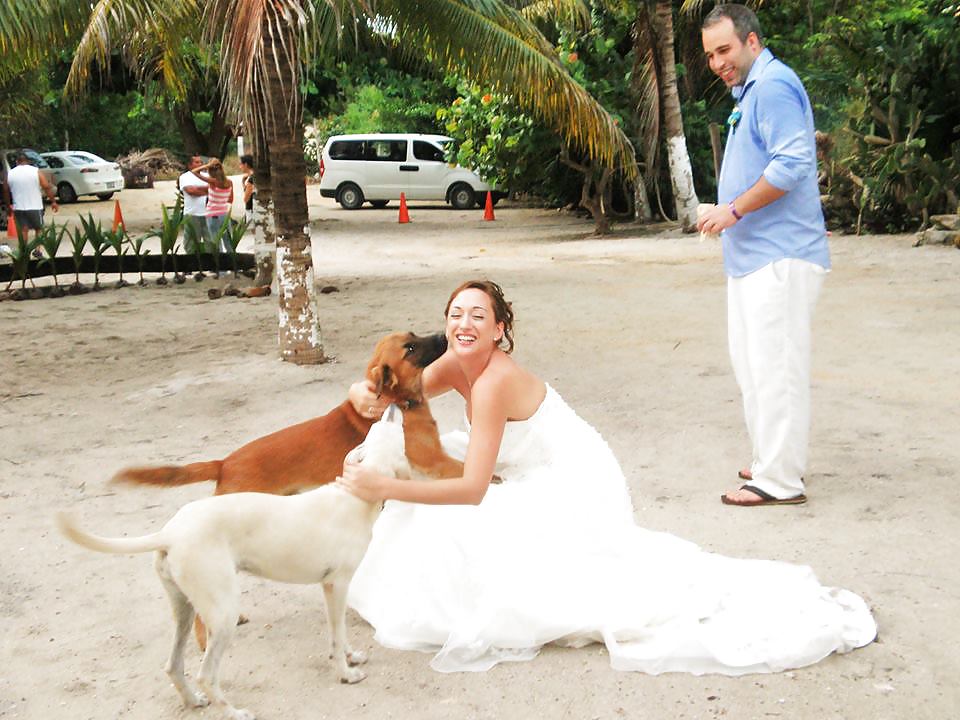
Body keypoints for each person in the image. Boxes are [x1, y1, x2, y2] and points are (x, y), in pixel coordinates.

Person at [338, 280, 876, 675]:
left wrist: (382, 488)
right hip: (524, 466)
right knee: (411, 460)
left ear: (500, 330)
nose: (465, 325)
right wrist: (362, 396)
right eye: (457, 314)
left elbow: (474, 491)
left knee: (444, 510)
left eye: (479, 316)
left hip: (574, 482)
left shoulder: (494, 381)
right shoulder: (458, 361)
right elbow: (398, 396)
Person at [696, 4, 830, 507]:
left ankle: (779, 481)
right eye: (710, 55)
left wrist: (732, 209)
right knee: (753, 366)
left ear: (752, 42)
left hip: (780, 256)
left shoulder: (772, 86)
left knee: (776, 367)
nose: (717, 63)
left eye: (724, 50)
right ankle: (770, 460)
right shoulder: (749, 91)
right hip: (754, 256)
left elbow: (792, 164)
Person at [3, 151, 58, 245]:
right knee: (39, 229)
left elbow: (5, 190)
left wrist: (8, 206)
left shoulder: (10, 173)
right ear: (27, 161)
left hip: (19, 207)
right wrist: (53, 202)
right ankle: (37, 250)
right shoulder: (36, 171)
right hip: (35, 206)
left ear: (17, 162)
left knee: (23, 230)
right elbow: (46, 186)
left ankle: (25, 251)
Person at [190, 158, 234, 248]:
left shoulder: (213, 182)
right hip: (225, 214)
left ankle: (219, 261)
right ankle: (231, 260)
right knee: (228, 242)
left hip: (213, 214)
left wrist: (207, 165)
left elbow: (194, 172)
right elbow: (230, 199)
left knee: (216, 242)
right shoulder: (229, 182)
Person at [177, 155, 209, 251]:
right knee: (191, 242)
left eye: (201, 162)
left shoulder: (207, 176)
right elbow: (191, 191)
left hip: (208, 214)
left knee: (211, 241)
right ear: (190, 165)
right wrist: (206, 190)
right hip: (192, 214)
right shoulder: (185, 177)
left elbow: (215, 188)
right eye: (197, 162)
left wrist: (198, 189)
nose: (200, 164)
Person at [239, 154, 256, 226]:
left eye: (241, 164)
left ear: (245, 164)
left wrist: (243, 183)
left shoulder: (251, 179)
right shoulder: (253, 177)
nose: (240, 167)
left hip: (251, 209)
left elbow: (246, 198)